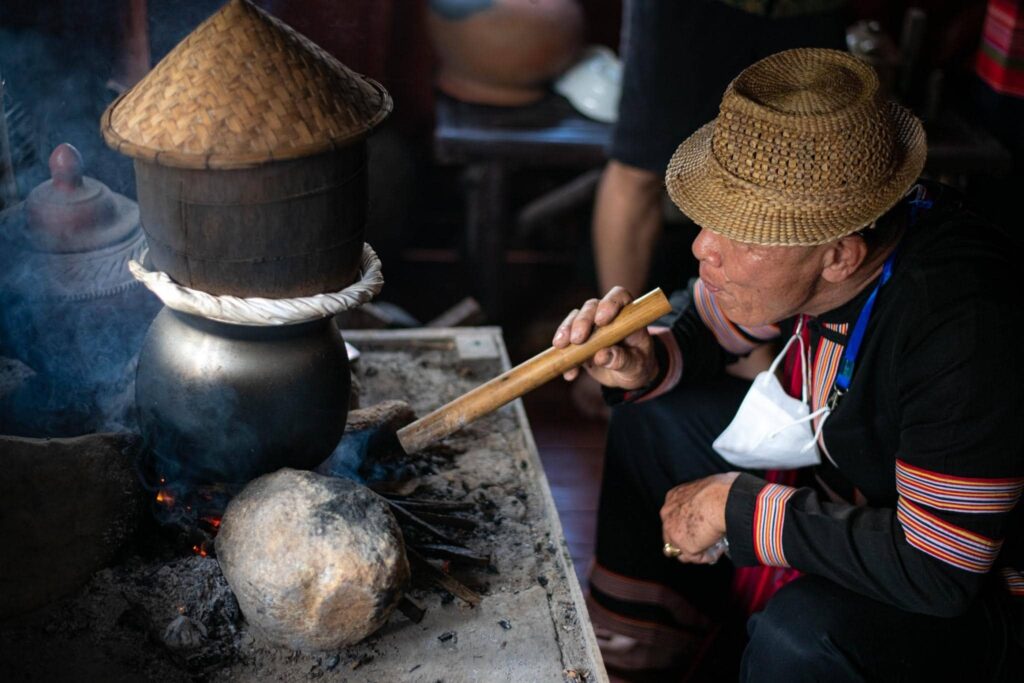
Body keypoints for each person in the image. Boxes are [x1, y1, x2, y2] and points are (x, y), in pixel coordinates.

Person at [555, 48, 1023, 679]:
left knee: (806, 636)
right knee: (652, 419)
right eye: (714, 219)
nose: (701, 248)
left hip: (981, 593)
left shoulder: (962, 327)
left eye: (741, 235)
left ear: (840, 256)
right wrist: (642, 360)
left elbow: (939, 569)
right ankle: (639, 661)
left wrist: (739, 507)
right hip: (858, 500)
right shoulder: (833, 247)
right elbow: (702, 334)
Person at [594, 0, 848, 298]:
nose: (702, 248)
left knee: (803, 172)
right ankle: (614, 327)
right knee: (639, 166)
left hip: (804, 9)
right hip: (688, 13)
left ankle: (767, 330)